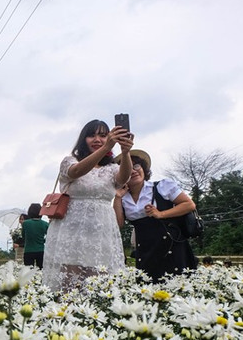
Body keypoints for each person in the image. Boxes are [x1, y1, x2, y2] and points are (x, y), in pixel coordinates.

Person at [42, 119, 133, 292]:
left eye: (103, 135)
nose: (97, 139)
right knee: (70, 284)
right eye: (91, 135)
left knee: (101, 279)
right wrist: (106, 148)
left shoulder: (112, 168)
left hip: (102, 231)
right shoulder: (70, 161)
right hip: (73, 230)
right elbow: (76, 172)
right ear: (83, 139)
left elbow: (123, 179)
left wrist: (126, 151)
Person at [113, 149, 198, 281]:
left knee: (179, 288)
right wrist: (117, 198)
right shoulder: (123, 198)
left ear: (143, 168)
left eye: (136, 165)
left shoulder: (162, 186)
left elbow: (189, 205)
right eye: (128, 167)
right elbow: (119, 223)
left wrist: (161, 214)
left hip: (171, 246)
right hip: (145, 251)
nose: (133, 170)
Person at [21, 203, 50, 268]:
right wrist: (43, 240)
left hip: (28, 250)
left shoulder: (25, 223)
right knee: (41, 270)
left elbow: (23, 236)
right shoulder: (45, 224)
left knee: (28, 272)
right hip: (41, 250)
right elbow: (49, 237)